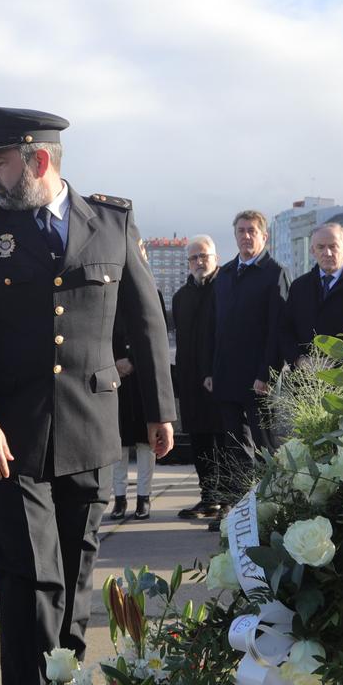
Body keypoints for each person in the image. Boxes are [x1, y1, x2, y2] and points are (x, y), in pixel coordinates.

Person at [0, 105, 173, 685]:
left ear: (38, 161)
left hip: (90, 430)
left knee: (74, 577)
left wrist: (159, 409)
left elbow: (146, 320)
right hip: (9, 438)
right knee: (28, 578)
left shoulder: (112, 222)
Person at [207, 209, 288, 509]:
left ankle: (273, 505)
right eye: (241, 230)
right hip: (227, 376)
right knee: (234, 446)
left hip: (258, 379)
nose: (245, 235)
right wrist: (211, 370)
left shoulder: (274, 273)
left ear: (263, 236)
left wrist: (266, 374)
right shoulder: (225, 275)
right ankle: (241, 507)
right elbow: (216, 328)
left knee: (265, 446)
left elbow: (276, 330)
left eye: (251, 231)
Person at [108, 238, 169, 522]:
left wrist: (135, 360)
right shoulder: (107, 291)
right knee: (117, 443)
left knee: (147, 442)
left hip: (142, 378)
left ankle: (143, 498)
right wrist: (113, 361)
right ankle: (119, 498)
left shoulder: (151, 291)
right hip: (114, 378)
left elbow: (155, 337)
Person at [275, 222, 343, 369]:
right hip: (306, 381)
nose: (327, 253)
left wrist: (337, 367)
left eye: (333, 246)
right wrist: (298, 360)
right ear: (312, 251)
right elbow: (285, 330)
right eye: (321, 247)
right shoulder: (299, 287)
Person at [169, 236, 226, 522]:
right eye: (193, 258)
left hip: (220, 379)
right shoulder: (181, 297)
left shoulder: (226, 288)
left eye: (204, 256)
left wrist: (215, 371)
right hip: (191, 382)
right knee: (200, 442)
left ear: (216, 257)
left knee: (224, 441)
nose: (199, 262)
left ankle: (228, 499)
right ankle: (209, 498)